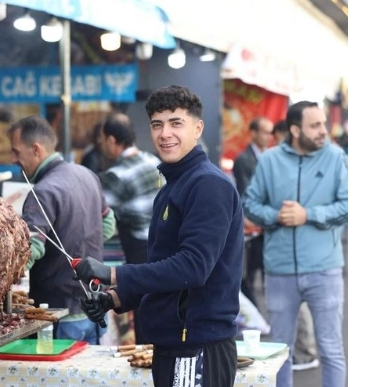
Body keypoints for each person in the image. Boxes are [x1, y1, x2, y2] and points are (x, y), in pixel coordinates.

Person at [73, 85, 244, 387]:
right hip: (174, 343)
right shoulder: (171, 186)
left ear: (197, 128)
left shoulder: (208, 185)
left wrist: (113, 273)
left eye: (176, 122)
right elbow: (164, 268)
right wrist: (115, 298)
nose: (165, 133)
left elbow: (193, 267)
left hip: (197, 346)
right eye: (157, 124)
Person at [243, 101, 348, 387]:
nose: (323, 131)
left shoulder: (336, 157)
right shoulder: (269, 160)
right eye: (315, 125)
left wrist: (308, 215)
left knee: (331, 349)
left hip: (325, 269)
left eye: (323, 124)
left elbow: (349, 204)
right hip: (279, 271)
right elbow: (250, 203)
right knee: (280, 351)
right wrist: (276, 216)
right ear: (294, 129)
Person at [7, 115, 116, 344]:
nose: (13, 159)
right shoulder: (88, 175)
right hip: (94, 309)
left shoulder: (42, 191)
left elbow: (30, 248)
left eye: (16, 152)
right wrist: (81, 247)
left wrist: (1, 281)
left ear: (36, 149)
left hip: (61, 315)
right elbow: (108, 224)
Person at [96, 112, 162, 344]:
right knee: (157, 305)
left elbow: (97, 213)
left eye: (103, 140)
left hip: (139, 250)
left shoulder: (117, 175)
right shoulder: (152, 160)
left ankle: (147, 360)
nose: (102, 146)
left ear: (112, 140)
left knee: (142, 307)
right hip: (161, 246)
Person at [232, 117, 273, 307]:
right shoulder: (243, 159)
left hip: (267, 222)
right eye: (265, 132)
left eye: (270, 132)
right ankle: (253, 311)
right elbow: (245, 193)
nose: (268, 136)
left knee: (265, 269)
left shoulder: (269, 156)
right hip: (253, 224)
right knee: (250, 271)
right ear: (253, 133)